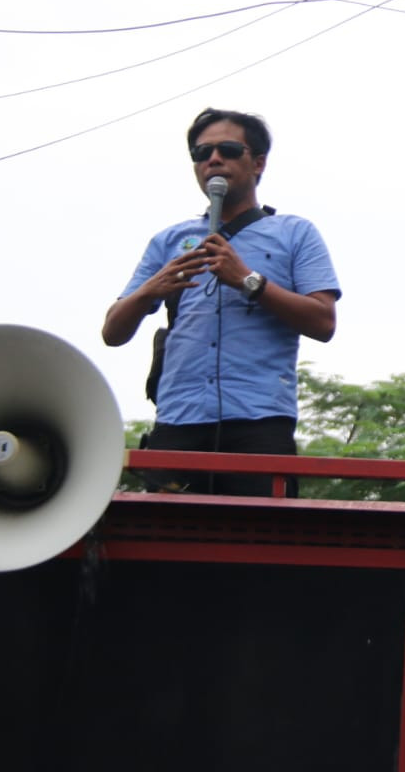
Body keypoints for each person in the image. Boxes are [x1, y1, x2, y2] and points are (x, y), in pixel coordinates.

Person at [102, 108, 340, 496]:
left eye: (229, 150)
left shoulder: (295, 233)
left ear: (259, 163)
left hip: (260, 420)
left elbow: (323, 322)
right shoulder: (168, 241)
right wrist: (152, 288)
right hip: (179, 418)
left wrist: (247, 280)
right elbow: (112, 332)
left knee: (258, 547)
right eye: (202, 152)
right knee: (166, 548)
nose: (213, 159)